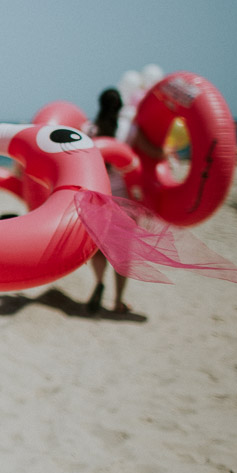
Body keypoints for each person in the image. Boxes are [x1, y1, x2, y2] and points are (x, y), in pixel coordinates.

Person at [86, 87, 130, 314]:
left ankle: (98, 282)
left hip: (98, 195)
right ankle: (118, 300)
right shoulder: (127, 130)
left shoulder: (90, 129)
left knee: (99, 248)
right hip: (121, 195)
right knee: (122, 251)